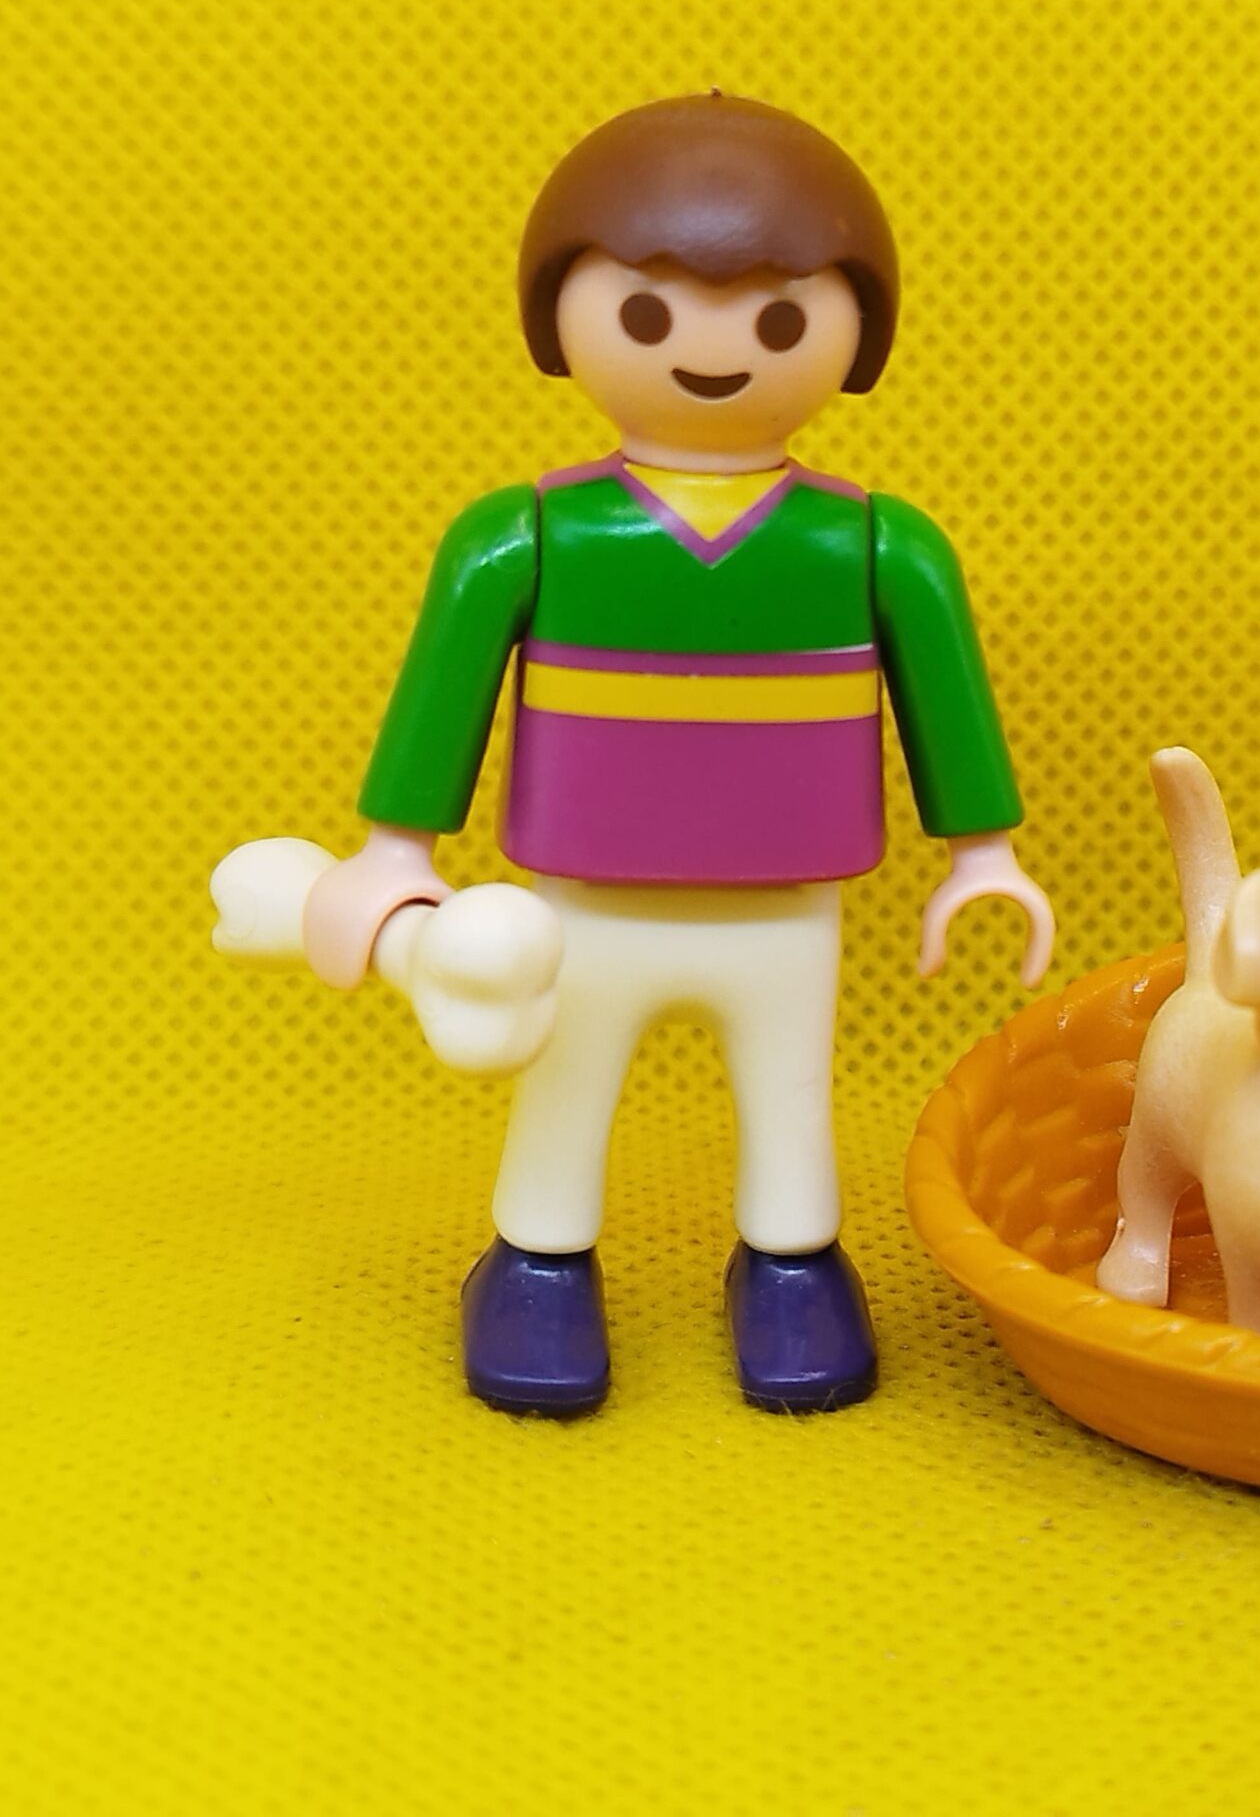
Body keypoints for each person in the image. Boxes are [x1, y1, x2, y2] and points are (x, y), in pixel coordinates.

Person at [298, 94, 1054, 1415]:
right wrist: (392, 850)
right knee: (566, 1080)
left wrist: (982, 852)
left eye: (779, 321)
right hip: (585, 902)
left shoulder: (874, 545)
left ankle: (793, 1267)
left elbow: (943, 695)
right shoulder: (529, 536)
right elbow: (444, 692)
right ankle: (538, 1266)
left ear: (857, 332)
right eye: (646, 314)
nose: (712, 353)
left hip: (786, 905)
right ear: (561, 317)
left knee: (788, 1095)